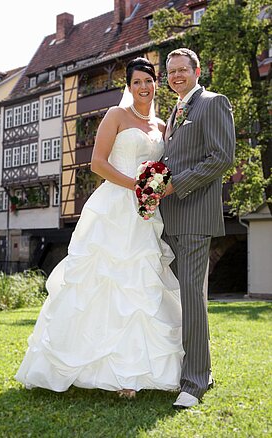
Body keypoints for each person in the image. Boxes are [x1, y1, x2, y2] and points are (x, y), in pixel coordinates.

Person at [15, 57, 184, 398]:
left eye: (148, 81)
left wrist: (155, 190)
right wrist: (134, 186)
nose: (143, 88)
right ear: (128, 86)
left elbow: (164, 168)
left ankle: (132, 373)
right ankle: (89, 365)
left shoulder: (163, 125)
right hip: (114, 207)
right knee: (103, 283)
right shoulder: (115, 116)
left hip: (144, 213)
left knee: (139, 287)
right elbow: (97, 163)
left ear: (156, 84)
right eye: (136, 82)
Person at [160, 48, 236, 409]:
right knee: (177, 298)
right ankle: (185, 369)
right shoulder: (174, 112)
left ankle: (195, 381)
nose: (176, 76)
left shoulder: (213, 103)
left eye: (181, 70)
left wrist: (177, 184)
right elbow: (173, 159)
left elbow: (222, 156)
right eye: (171, 71)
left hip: (195, 216)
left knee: (191, 296)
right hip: (169, 217)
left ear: (196, 70)